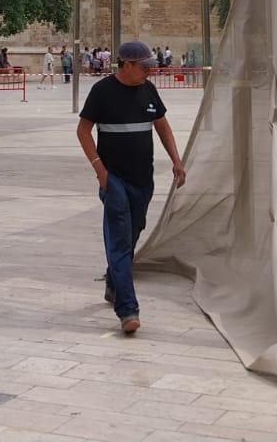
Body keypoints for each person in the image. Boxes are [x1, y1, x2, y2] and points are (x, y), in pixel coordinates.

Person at [76, 40, 186, 336]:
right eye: (143, 68)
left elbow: (162, 126)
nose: (148, 73)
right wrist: (100, 171)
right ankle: (127, 309)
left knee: (134, 231)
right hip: (114, 181)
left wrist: (177, 160)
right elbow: (83, 130)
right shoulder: (102, 91)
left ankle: (114, 280)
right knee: (120, 240)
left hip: (143, 181)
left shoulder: (148, 90)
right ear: (127, 64)